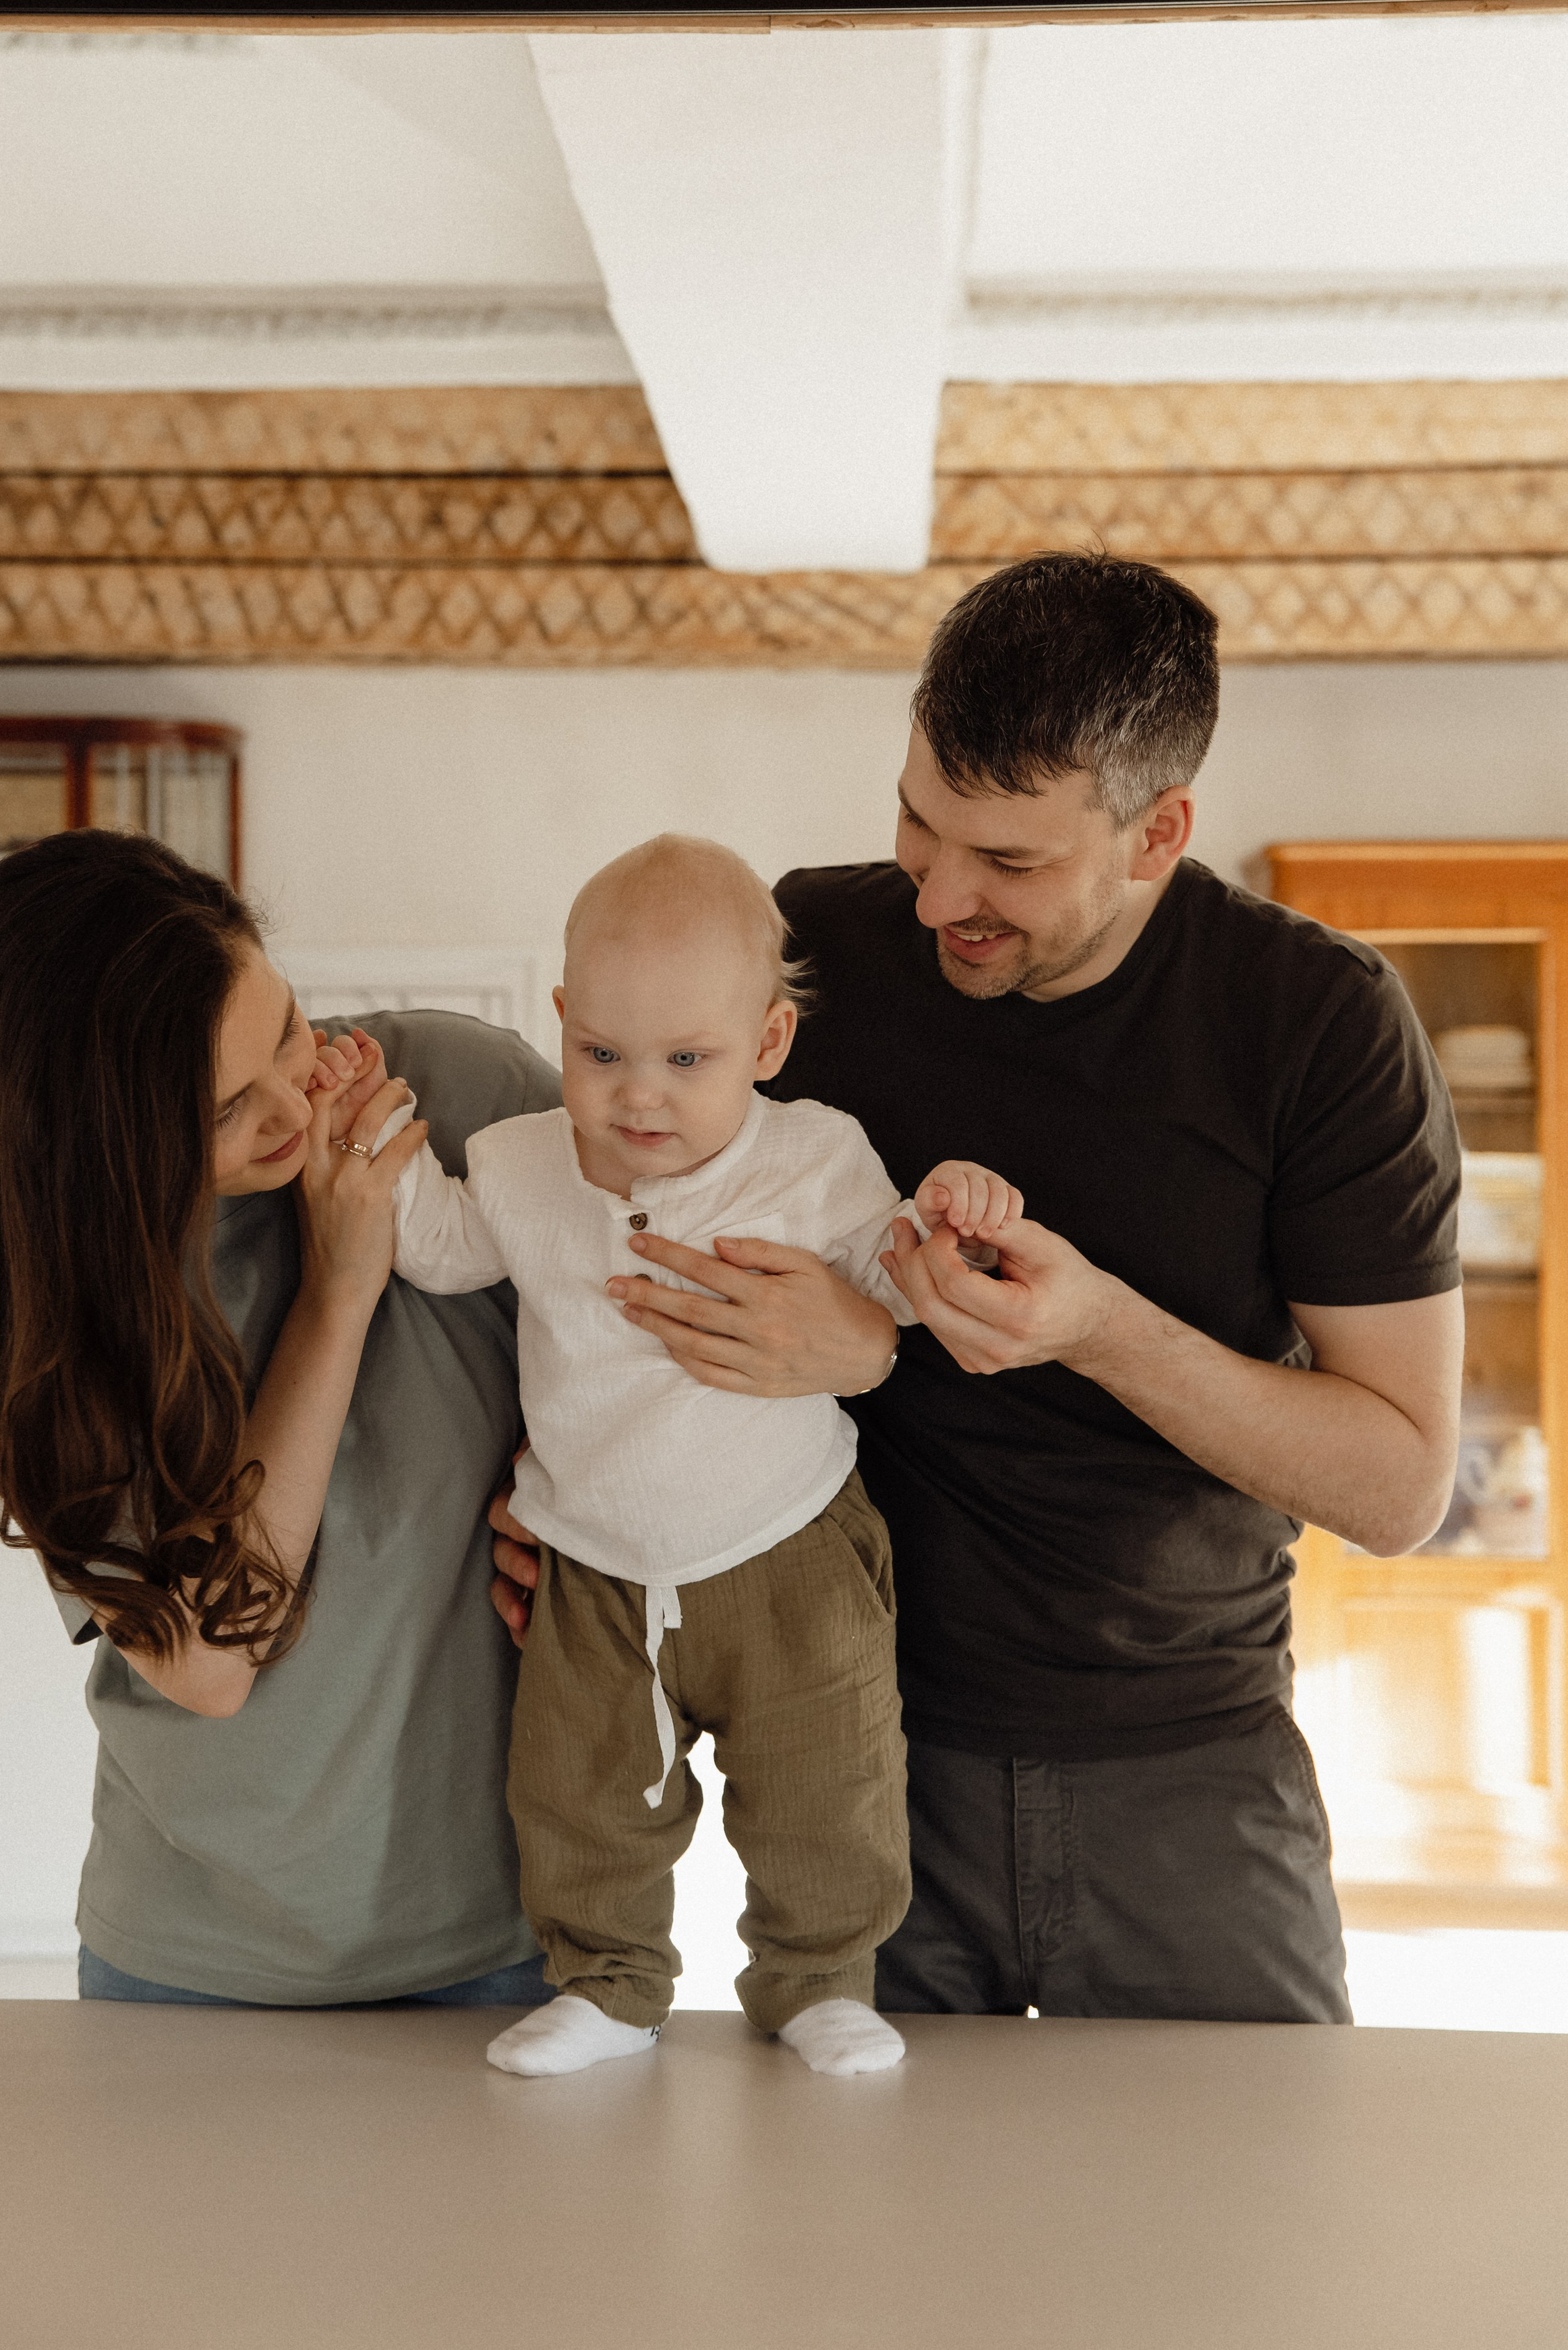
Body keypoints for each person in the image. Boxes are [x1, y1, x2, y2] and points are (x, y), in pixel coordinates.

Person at [496, 553, 1463, 2026]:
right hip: (863, 1754)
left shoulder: (1316, 1024)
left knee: (1235, 2232)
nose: (938, 892)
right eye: (914, 819)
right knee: (869, 2238)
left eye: (1007, 862)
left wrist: (1096, 1330)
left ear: (1158, 834)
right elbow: (583, 1228)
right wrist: (561, 1500)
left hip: (1189, 1778)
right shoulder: (797, 960)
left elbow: (1395, 1487)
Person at [392, 834, 1020, 2077]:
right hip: (593, 1560)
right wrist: (379, 1152)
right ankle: (610, 1983)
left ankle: (821, 1977)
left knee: (827, 1786)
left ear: (769, 1045)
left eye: (689, 1061)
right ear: (561, 1020)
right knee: (578, 1798)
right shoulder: (521, 1162)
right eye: (604, 1055)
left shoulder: (813, 1154)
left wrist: (949, 1215)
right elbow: (444, 1245)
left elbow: (892, 1281)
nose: (641, 1097)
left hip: (784, 1540)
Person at [0, 826, 564, 2009]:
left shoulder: (467, 1098)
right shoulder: (46, 1285)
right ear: (106, 1147)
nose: (293, 1102)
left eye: (284, 1028)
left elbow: (654, 1326)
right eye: (222, 1111)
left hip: (501, 1941)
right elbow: (208, 1661)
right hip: (189, 1963)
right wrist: (340, 1289)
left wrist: (585, 1495)